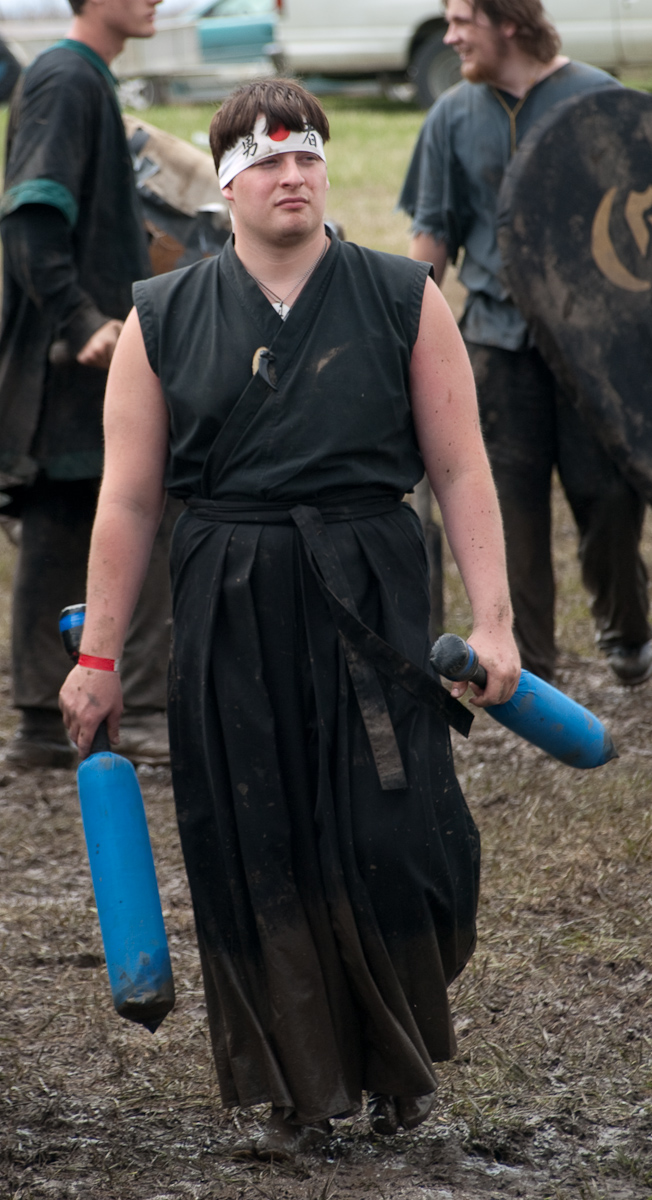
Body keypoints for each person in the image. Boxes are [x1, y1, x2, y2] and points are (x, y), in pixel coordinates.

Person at [60, 78, 520, 1154]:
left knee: (400, 836)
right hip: (230, 598)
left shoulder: (404, 296)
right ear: (224, 184)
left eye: (307, 154)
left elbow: (461, 470)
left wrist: (494, 621)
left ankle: (399, 1061)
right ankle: (297, 1093)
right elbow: (128, 503)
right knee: (255, 840)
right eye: (266, 159)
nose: (292, 173)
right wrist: (100, 657)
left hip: (371, 593)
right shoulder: (161, 316)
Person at [400, 0, 652, 686]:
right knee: (508, 507)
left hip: (592, 349)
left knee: (608, 495)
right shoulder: (451, 116)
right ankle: (528, 663)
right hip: (495, 342)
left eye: (461, 20)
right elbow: (432, 235)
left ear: (507, 20)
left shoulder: (598, 99)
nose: (449, 36)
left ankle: (627, 631)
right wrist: (403, 332)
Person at [0, 0, 176, 769]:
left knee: (70, 519)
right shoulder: (65, 78)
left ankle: (47, 723)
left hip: (88, 358)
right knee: (129, 513)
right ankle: (129, 715)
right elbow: (31, 219)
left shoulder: (83, 76)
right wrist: (80, 321)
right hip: (73, 360)